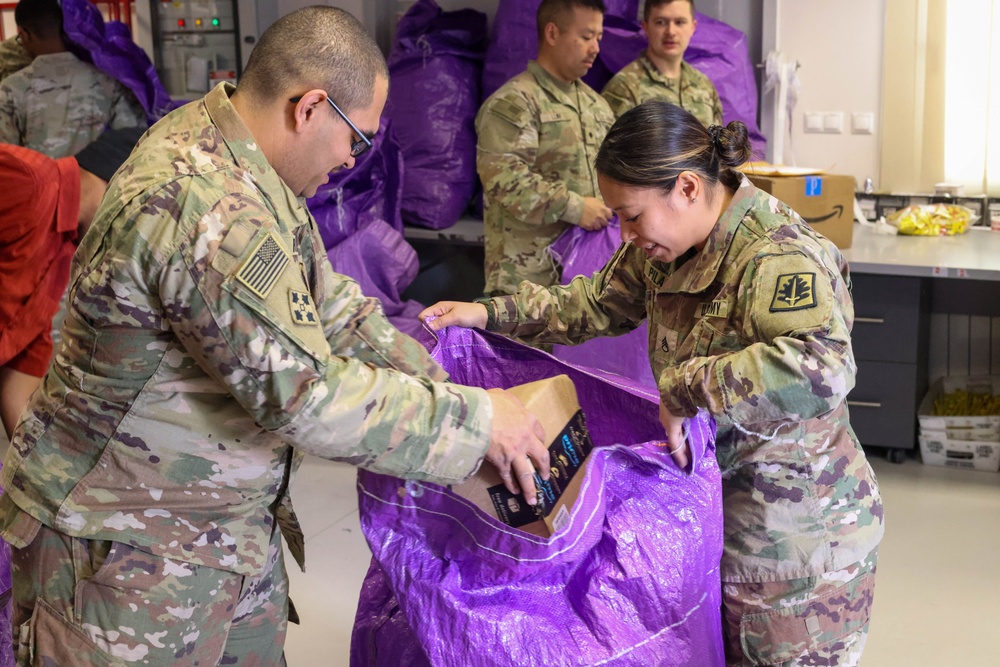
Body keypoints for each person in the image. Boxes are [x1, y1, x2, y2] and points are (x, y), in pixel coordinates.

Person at [0, 7, 548, 664]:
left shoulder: (248, 165)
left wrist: (448, 385)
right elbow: (304, 397)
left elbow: (333, 308)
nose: (352, 159)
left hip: (220, 533)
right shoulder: (200, 200)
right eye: (357, 138)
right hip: (122, 555)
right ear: (309, 107)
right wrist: (476, 424)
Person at [421, 101, 884, 667]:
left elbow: (823, 366)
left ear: (687, 187)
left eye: (632, 215)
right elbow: (590, 305)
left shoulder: (776, 256)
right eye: (618, 215)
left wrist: (687, 387)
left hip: (796, 549)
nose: (625, 232)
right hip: (721, 521)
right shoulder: (667, 247)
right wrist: (487, 315)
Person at [0, 128, 143, 441]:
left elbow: (19, 374)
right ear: (122, 187)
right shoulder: (28, 180)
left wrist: (35, 466)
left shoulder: (62, 258)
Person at [476, 0, 615, 296]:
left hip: (582, 281)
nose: (595, 49)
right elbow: (504, 180)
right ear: (552, 34)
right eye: (586, 37)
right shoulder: (515, 103)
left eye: (599, 38)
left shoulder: (597, 106)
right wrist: (575, 208)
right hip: (527, 281)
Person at [0, 0, 146, 158]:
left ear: (24, 34)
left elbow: (7, 160)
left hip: (41, 181)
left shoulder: (10, 90)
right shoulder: (107, 81)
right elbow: (130, 140)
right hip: (97, 180)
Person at [601, 0, 722, 127]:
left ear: (692, 27)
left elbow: (718, 142)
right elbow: (611, 145)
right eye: (661, 22)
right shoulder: (624, 88)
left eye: (679, 22)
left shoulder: (704, 85)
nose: (670, 31)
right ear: (646, 27)